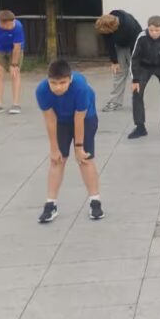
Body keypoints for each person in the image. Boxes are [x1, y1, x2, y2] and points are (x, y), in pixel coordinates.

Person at [35, 60, 104, 223]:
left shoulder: (80, 87)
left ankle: (95, 201)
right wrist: (54, 148)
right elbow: (50, 120)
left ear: (70, 79)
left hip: (85, 118)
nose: (58, 87)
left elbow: (79, 118)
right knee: (57, 160)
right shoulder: (41, 90)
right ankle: (50, 204)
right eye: (53, 83)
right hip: (60, 120)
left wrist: (79, 148)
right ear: (48, 80)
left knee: (85, 159)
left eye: (62, 83)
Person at [129, 15, 160, 139]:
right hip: (144, 67)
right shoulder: (142, 36)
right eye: (151, 30)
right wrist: (135, 79)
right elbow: (135, 58)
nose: (154, 33)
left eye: (157, 30)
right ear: (148, 28)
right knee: (137, 92)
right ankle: (140, 127)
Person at [95, 10, 142, 112]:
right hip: (120, 46)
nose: (105, 34)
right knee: (119, 73)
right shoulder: (105, 24)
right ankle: (114, 102)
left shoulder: (130, 26)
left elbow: (135, 45)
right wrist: (114, 62)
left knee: (136, 75)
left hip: (134, 45)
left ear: (113, 28)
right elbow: (108, 43)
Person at [0, 9, 24, 115]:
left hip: (14, 50)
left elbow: (17, 47)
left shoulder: (17, 26)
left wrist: (14, 64)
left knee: (15, 73)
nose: (11, 26)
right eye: (8, 25)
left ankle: (16, 104)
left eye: (12, 23)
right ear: (0, 23)